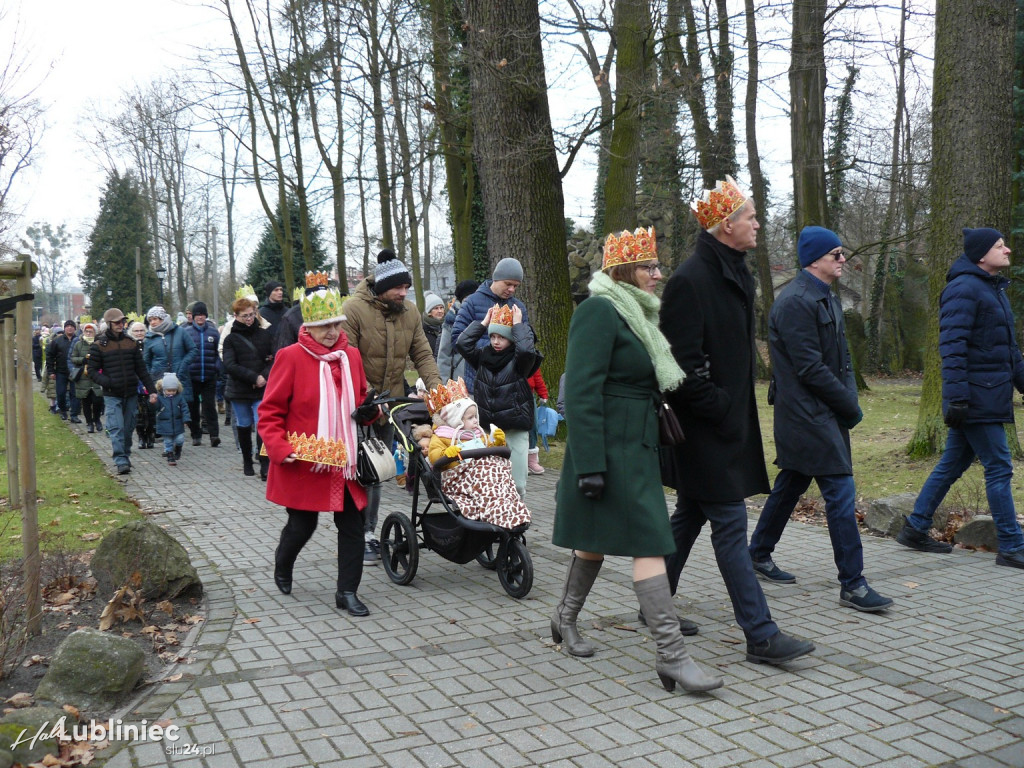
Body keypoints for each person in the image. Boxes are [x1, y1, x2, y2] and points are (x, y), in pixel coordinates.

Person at [551, 227, 722, 693]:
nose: (658, 275)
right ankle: (672, 657)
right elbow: (582, 392)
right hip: (607, 448)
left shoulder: (638, 314)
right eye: (650, 266)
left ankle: (564, 618)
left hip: (636, 446)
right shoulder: (598, 311)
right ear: (625, 269)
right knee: (651, 541)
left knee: (594, 540)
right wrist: (588, 464)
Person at [660, 176, 814, 666]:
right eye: (750, 216)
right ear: (727, 225)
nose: (757, 224)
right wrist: (722, 405)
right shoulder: (691, 279)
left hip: (723, 424)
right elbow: (676, 367)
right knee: (729, 524)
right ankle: (761, 634)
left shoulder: (733, 271)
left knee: (689, 518)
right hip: (704, 430)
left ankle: (654, 604)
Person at [748, 226, 893, 612]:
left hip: (823, 413)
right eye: (836, 255)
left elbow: (839, 361)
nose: (843, 260)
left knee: (791, 484)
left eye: (841, 254)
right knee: (841, 495)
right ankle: (853, 584)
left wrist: (844, 403)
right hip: (806, 416)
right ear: (814, 260)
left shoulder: (823, 297)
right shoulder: (795, 302)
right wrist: (848, 405)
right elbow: (810, 368)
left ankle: (758, 552)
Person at [897, 227, 1024, 568]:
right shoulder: (964, 289)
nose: (1008, 250)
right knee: (999, 467)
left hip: (985, 395)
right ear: (982, 255)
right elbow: (951, 349)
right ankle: (1012, 546)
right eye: (1000, 246)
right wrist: (957, 399)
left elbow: (1007, 349)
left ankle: (916, 527)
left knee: (952, 463)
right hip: (976, 398)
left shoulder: (990, 289)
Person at [259, 270, 379, 616]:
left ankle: (347, 592)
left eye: (336, 325)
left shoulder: (351, 356)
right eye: (324, 326)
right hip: (304, 461)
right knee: (302, 525)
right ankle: (283, 564)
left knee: (353, 525)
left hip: (344, 460)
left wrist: (369, 411)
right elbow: (269, 412)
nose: (332, 332)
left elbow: (358, 404)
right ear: (307, 327)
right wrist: (281, 451)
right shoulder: (291, 358)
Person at [342, 249, 442, 566]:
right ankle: (364, 535)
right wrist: (369, 397)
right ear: (383, 286)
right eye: (399, 288)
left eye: (406, 287)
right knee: (364, 470)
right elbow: (348, 360)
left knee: (380, 469)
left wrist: (439, 392)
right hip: (359, 404)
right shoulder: (353, 310)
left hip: (393, 403)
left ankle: (368, 530)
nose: (404, 292)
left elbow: (423, 355)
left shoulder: (409, 312)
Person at [455, 304, 538, 498]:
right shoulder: (483, 356)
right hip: (488, 428)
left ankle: (518, 515)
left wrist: (517, 325)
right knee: (490, 479)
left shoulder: (520, 362)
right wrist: (483, 323)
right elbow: (462, 344)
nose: (496, 341)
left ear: (511, 338)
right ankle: (496, 518)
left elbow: (526, 351)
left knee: (517, 483)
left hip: (515, 427)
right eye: (493, 336)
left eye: (501, 337)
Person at [425, 380, 531, 529]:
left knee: (501, 472)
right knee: (486, 473)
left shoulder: (478, 433)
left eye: (475, 416)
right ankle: (494, 513)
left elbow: (488, 450)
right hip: (457, 478)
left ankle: (510, 510)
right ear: (455, 420)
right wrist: (446, 454)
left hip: (480, 476)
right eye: (470, 418)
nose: (476, 421)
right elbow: (434, 456)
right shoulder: (442, 435)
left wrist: (498, 443)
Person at [86, 308, 158, 475]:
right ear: (109, 323)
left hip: (131, 392)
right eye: (117, 322)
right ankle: (120, 460)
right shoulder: (99, 346)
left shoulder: (130, 343)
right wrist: (108, 383)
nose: (121, 324)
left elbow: (141, 369)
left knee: (128, 427)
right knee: (116, 427)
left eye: (122, 321)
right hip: (112, 394)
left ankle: (125, 453)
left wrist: (152, 390)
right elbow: (91, 370)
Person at [451, 260, 528, 396]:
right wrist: (492, 351)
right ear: (496, 279)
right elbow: (457, 339)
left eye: (515, 286)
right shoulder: (472, 302)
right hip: (478, 384)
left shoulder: (518, 307)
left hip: (509, 387)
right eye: (508, 284)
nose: (511, 290)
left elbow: (527, 344)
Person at [223, 296, 275, 479]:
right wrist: (253, 377)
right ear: (236, 316)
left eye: (252, 314)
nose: (249, 319)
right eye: (245, 316)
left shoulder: (264, 335)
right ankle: (247, 459)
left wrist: (263, 377)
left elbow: (273, 358)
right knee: (244, 425)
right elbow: (230, 364)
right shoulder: (231, 339)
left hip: (261, 388)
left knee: (262, 425)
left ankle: (264, 462)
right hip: (240, 389)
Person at [184, 302, 221, 448]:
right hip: (192, 376)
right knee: (193, 407)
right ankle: (196, 434)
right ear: (193, 317)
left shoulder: (213, 332)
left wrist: (217, 367)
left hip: (209, 375)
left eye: (202, 315)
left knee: (209, 406)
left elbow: (219, 351)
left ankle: (214, 435)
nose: (200, 317)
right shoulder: (186, 332)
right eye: (197, 315)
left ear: (206, 316)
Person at [143, 306, 198, 403]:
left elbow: (193, 350)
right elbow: (146, 361)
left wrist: (183, 365)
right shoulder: (149, 338)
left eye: (155, 319)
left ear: (162, 318)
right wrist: (150, 378)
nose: (152, 322)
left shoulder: (180, 332)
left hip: (180, 377)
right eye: (150, 320)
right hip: (159, 380)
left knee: (183, 410)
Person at [437, 280, 478, 381]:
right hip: (460, 380)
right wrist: (445, 385)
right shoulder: (452, 320)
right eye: (467, 299)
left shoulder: (486, 316)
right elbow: (444, 355)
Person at [70, 321, 103, 433]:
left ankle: (97, 419)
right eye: (86, 331)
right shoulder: (78, 344)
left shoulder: (99, 344)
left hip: (96, 377)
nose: (88, 333)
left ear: (95, 332)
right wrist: (83, 360)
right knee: (86, 402)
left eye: (91, 331)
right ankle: (89, 423)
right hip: (83, 377)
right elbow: (73, 358)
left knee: (98, 400)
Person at [155, 373, 191, 466]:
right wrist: (152, 403)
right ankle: (170, 455)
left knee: (180, 439)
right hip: (165, 423)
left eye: (173, 390)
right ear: (163, 389)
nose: (171, 392)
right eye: (169, 390)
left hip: (178, 422)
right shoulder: (160, 398)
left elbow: (184, 408)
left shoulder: (179, 397)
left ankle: (178, 449)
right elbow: (155, 408)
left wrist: (186, 419)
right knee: (168, 441)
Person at [46, 320, 78, 420]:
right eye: (67, 326)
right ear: (64, 328)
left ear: (75, 328)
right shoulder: (57, 341)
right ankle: (63, 410)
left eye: (71, 326)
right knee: (60, 393)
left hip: (75, 371)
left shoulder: (78, 340)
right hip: (61, 371)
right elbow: (50, 356)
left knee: (75, 394)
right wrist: (51, 371)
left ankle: (74, 414)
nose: (69, 328)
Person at [526, 367, 548, 475]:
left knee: (533, 426)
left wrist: (542, 393)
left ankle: (531, 460)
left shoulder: (531, 354)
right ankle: (516, 462)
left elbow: (536, 374)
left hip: (529, 395)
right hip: (509, 393)